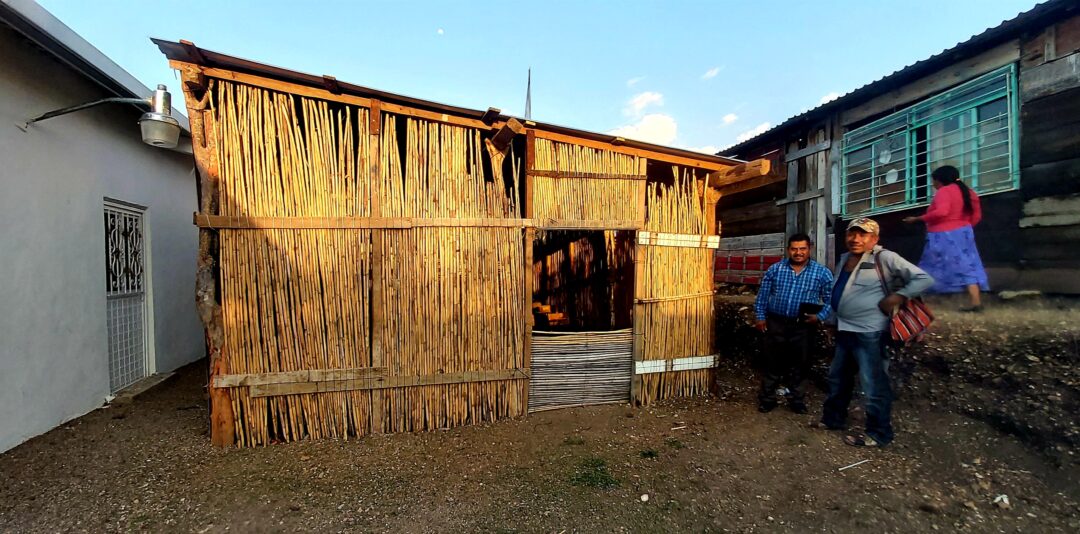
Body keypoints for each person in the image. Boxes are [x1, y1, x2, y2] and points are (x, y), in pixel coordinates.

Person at [820, 218, 933, 448]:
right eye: (852, 234)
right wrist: (832, 322)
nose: (856, 239)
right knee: (838, 379)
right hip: (845, 329)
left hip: (870, 333)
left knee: (873, 384)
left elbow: (923, 278)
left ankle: (879, 433)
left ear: (874, 239)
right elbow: (839, 293)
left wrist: (897, 296)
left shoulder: (885, 258)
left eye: (863, 235)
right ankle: (833, 420)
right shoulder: (844, 259)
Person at [753, 233, 834, 415]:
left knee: (801, 363)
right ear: (788, 250)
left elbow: (831, 300)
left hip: (804, 325)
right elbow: (763, 296)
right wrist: (760, 317)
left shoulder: (822, 273)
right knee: (772, 361)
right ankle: (767, 399)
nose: (798, 253)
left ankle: (796, 400)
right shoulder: (775, 269)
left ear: (809, 249)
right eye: (794, 249)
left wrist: (820, 316)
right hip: (776, 322)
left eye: (802, 249)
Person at [902, 165, 988, 312]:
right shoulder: (969, 192)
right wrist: (963, 226)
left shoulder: (944, 191)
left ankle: (913, 302)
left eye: (933, 180)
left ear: (940, 179)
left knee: (930, 265)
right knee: (967, 266)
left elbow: (942, 212)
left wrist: (918, 219)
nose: (932, 184)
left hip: (943, 234)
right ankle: (976, 303)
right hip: (965, 233)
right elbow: (977, 216)